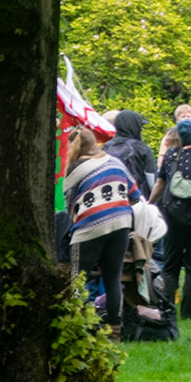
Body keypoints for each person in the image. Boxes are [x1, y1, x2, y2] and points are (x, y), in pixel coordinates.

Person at [64, 125, 142, 329]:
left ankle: (75, 324)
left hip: (89, 228)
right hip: (120, 225)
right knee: (112, 278)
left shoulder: (74, 170)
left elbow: (70, 206)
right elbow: (134, 195)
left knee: (77, 278)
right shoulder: (115, 162)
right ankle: (115, 329)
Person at [152, 119, 191, 317]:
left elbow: (160, 183)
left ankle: (167, 308)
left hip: (173, 216)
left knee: (171, 267)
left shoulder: (171, 154)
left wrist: (149, 203)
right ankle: (188, 313)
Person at [104, 110, 157, 194]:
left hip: (111, 196)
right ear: (135, 127)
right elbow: (151, 180)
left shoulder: (106, 146)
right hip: (136, 198)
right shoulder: (142, 148)